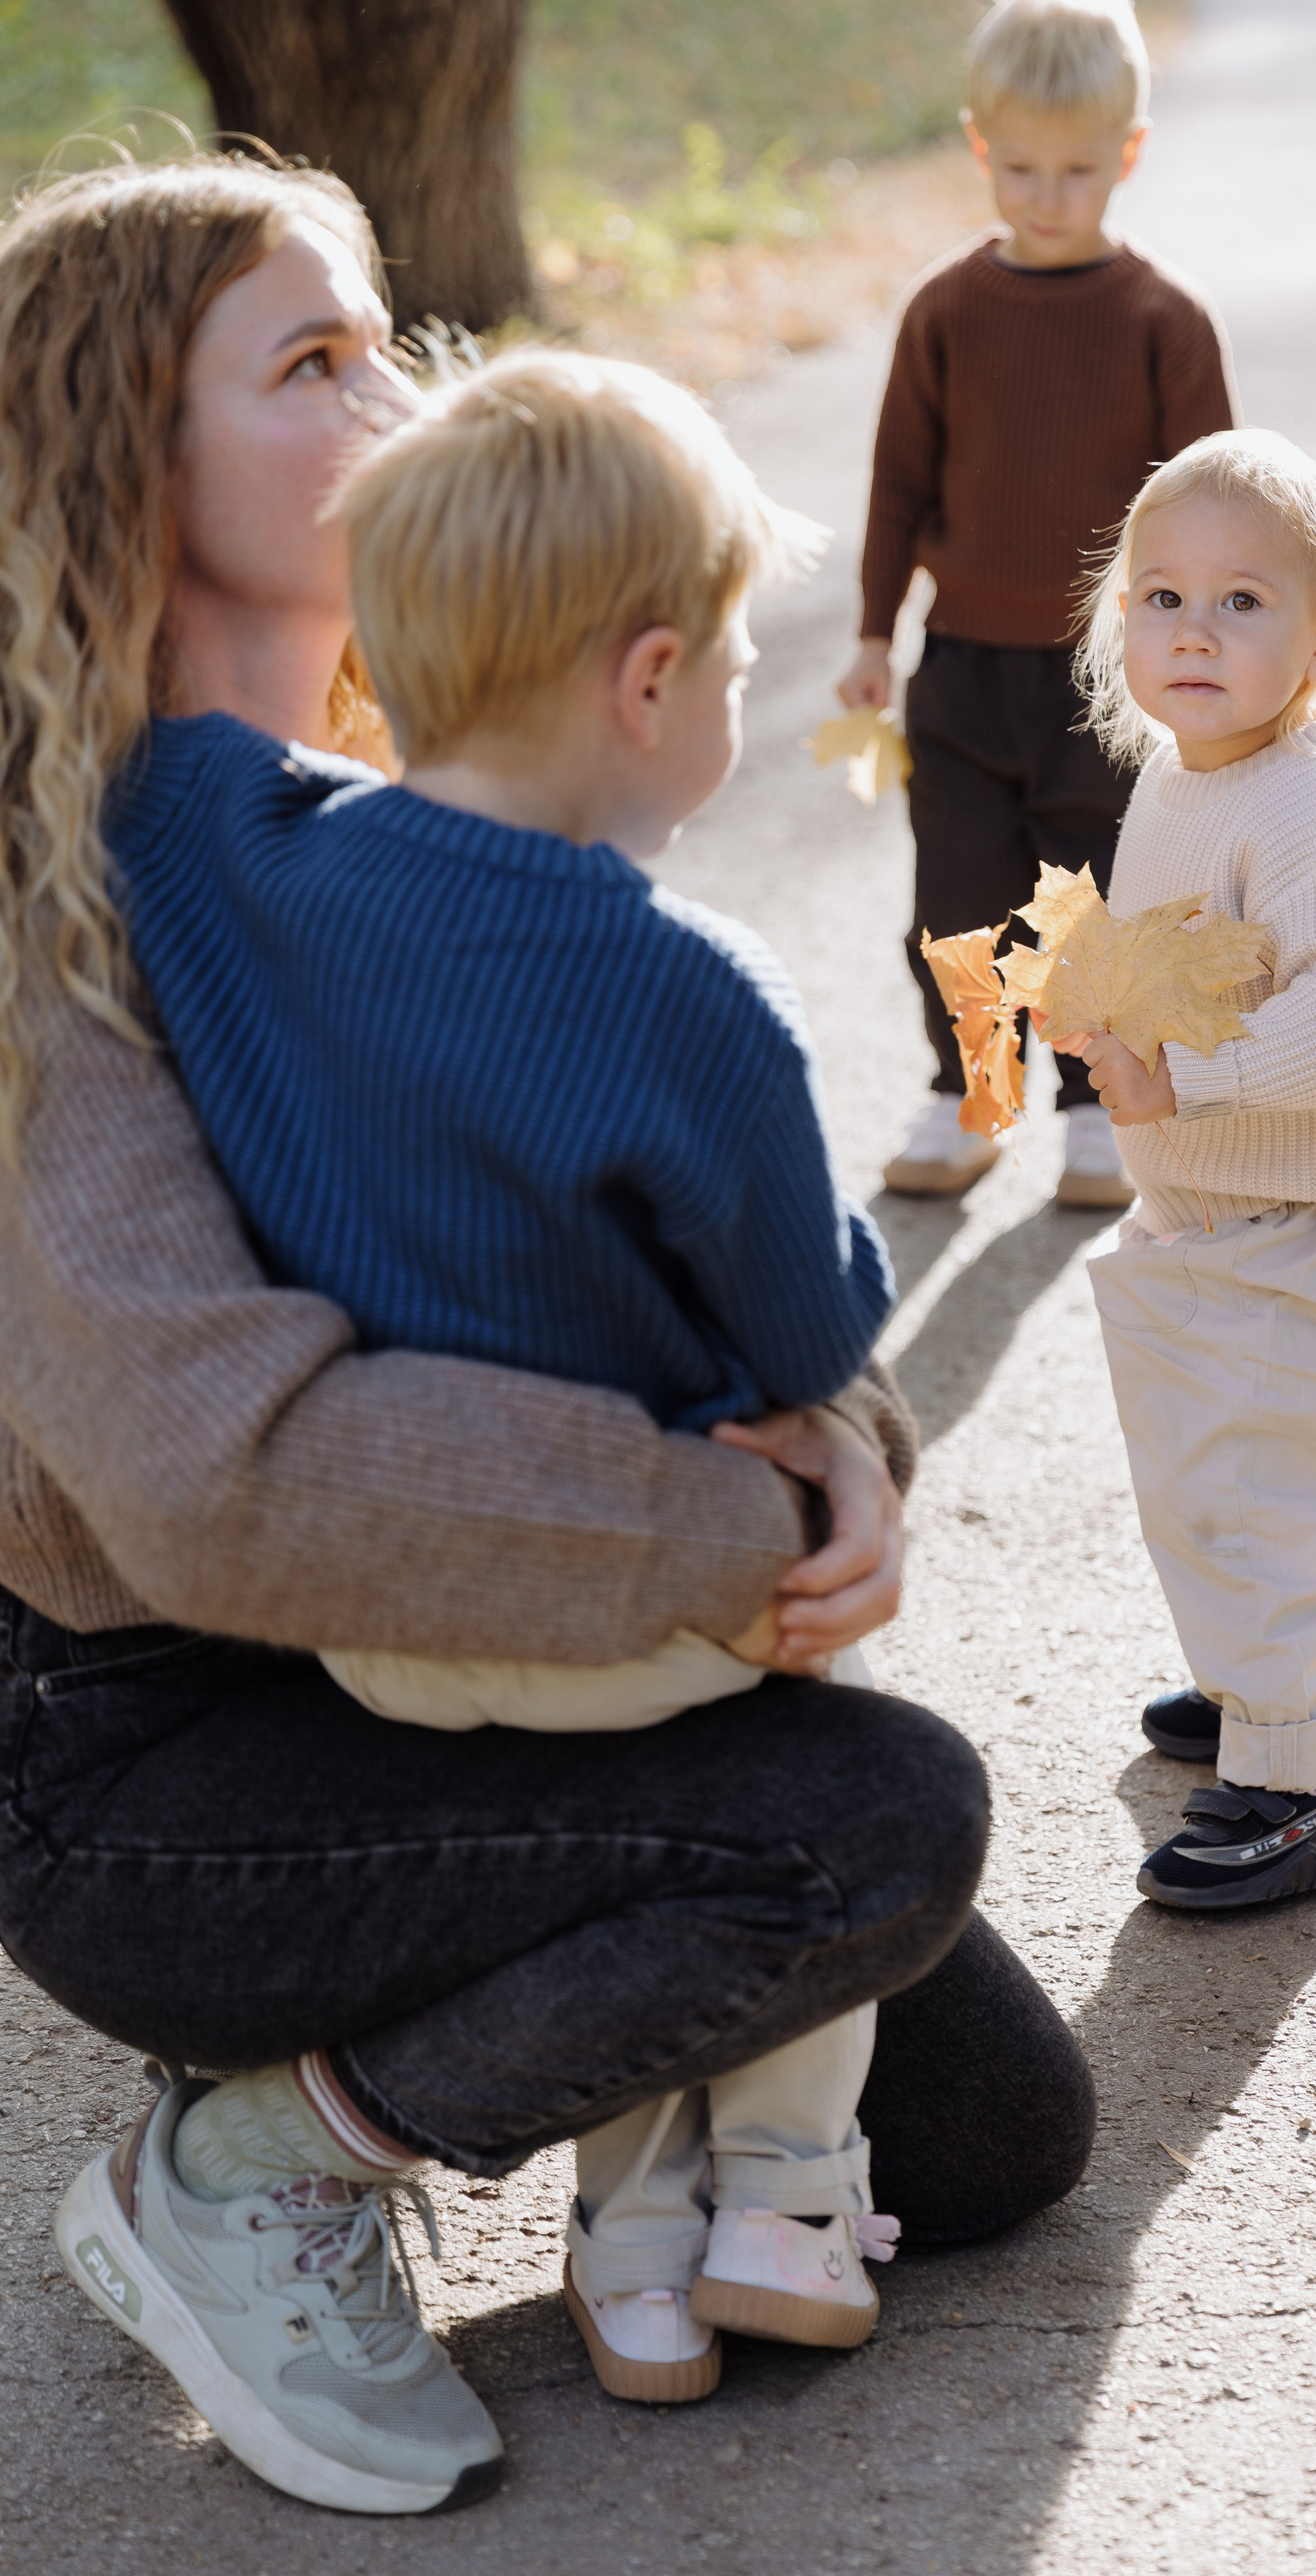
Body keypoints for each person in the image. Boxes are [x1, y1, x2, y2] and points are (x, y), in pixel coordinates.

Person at [0, 154, 1096, 2519]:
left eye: (393, 332)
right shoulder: (52, 919)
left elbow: (667, 1216)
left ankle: (547, 2068)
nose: (402, 398)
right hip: (152, 1766)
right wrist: (732, 1510)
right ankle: (262, 2163)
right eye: (313, 363)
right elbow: (220, 1480)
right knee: (873, 1823)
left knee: (994, 2132)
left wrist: (855, 1434)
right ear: (118, 467)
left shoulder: (415, 820)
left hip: (452, 1657)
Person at [108, 342, 912, 2405]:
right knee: (793, 1782)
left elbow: (154, 754)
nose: (737, 696)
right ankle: (775, 2205)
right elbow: (810, 1334)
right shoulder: (692, 996)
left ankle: (635, 2267)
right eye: (738, 663)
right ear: (649, 684)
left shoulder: (216, 850)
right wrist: (843, 1337)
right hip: (627, 1603)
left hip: (383, 1630)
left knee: (619, 1816)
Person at [1069, 427, 1316, 1908]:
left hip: (1304, 1225)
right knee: (1222, 1479)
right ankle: (1291, 1684)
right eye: (1161, 598)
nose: (1194, 632)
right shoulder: (1188, 777)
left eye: (1242, 602)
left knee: (1248, 1492)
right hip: (1211, 1208)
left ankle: (1293, 1783)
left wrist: (1199, 1078)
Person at [840, 0, 1236, 1210]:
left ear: (1127, 154)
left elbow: (1214, 506)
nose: (1047, 195)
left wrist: (1206, 659)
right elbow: (901, 480)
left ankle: (1095, 1105)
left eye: (1076, 170)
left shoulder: (1165, 324)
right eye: (1020, 168)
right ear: (978, 149)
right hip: (961, 667)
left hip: (1105, 680)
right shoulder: (946, 315)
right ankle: (969, 1094)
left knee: (1098, 899)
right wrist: (871, 630)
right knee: (958, 894)